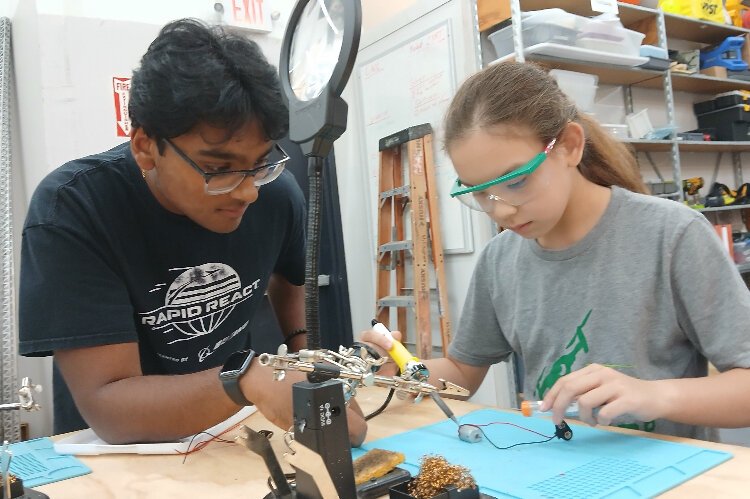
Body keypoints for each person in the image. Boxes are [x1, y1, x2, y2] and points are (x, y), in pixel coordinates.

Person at [19, 18, 365, 445]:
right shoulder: (74, 208)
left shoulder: (274, 192)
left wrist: (308, 362)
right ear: (146, 147)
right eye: (218, 169)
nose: (246, 192)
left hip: (229, 434)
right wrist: (245, 380)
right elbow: (110, 407)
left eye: (259, 162)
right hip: (116, 457)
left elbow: (289, 278)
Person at [363, 61, 750, 441]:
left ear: (569, 146)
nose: (500, 210)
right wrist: (403, 368)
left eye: (515, 181)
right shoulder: (501, 260)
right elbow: (463, 370)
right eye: (480, 193)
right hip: (554, 467)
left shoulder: (672, 235)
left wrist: (655, 395)